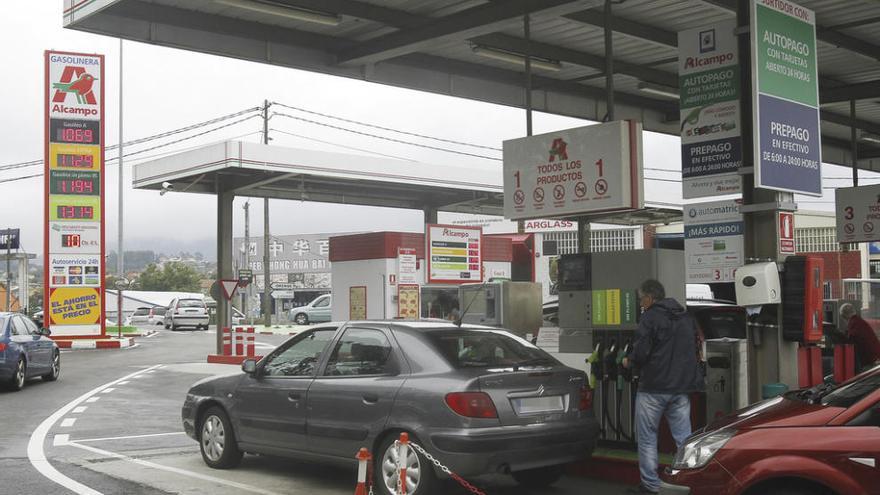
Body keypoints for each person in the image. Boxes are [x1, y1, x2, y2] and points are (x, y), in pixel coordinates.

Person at [623, 279, 704, 495]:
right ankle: (687, 481)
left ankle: (651, 486)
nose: (641, 303)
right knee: (684, 439)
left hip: (654, 389)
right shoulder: (685, 317)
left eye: (641, 299)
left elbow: (641, 353)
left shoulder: (650, 317)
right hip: (680, 389)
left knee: (648, 437)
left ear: (650, 297)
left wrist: (628, 361)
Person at [839, 303, 880, 370]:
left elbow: (850, 343)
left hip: (870, 360)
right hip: (874, 357)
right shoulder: (859, 321)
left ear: (845, 316)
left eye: (843, 318)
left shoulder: (854, 323)